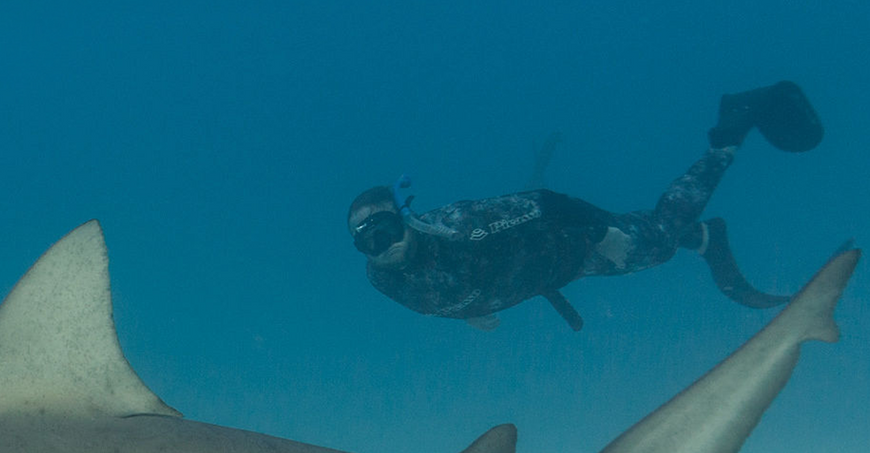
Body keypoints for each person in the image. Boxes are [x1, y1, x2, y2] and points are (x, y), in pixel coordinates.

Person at [348, 82, 823, 332]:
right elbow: (438, 290)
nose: (382, 247)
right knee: (653, 251)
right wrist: (467, 311)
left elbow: (545, 202)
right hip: (553, 274)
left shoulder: (458, 227)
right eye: (368, 242)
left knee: (652, 242)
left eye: (386, 230)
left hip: (572, 244)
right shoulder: (381, 279)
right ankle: (699, 237)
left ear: (405, 218)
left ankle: (731, 132)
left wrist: (602, 233)